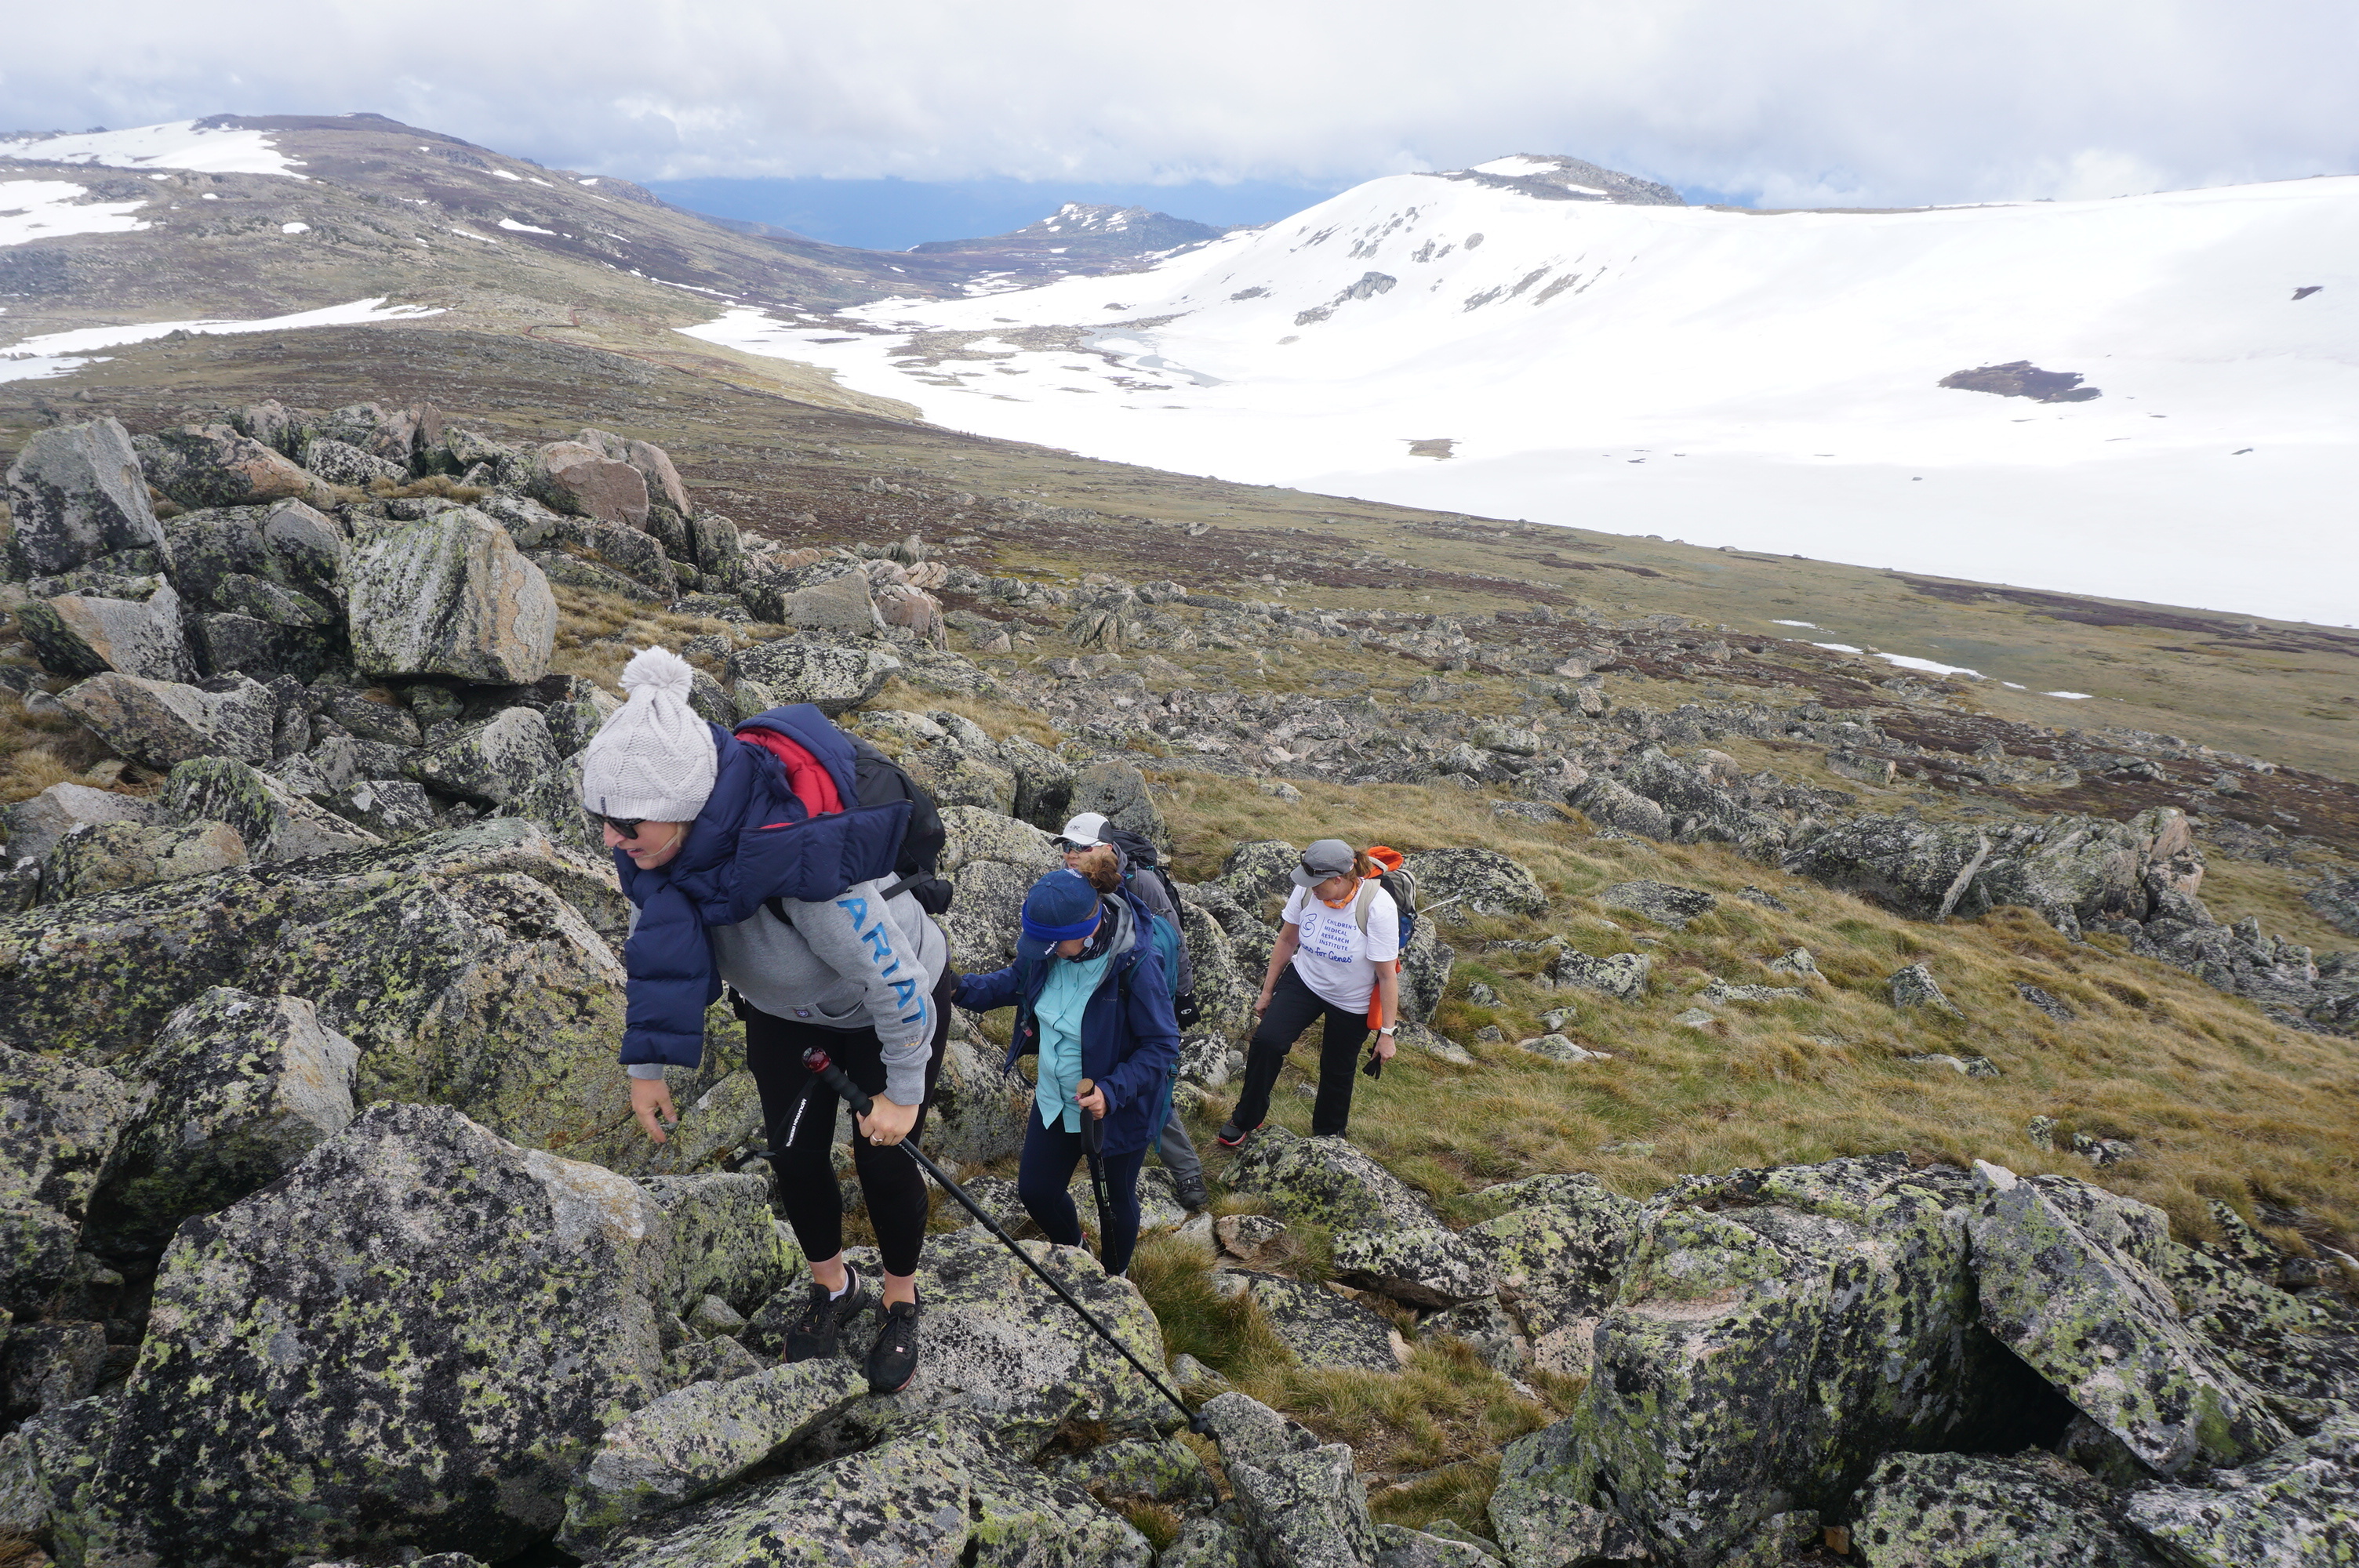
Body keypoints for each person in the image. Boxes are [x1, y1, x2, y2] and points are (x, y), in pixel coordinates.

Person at [583, 647, 951, 1395]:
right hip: (786, 1017)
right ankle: (834, 1285)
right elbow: (660, 961)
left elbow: (899, 985)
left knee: (883, 1159)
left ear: (684, 805)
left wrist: (904, 1094)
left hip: (884, 1011)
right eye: (600, 820)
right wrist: (645, 1068)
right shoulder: (654, 859)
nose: (611, 841)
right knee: (793, 1154)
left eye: (627, 822)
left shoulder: (805, 866)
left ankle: (901, 1298)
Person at [951, 854, 1180, 1275]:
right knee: (1037, 1191)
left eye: (1053, 946)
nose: (1045, 954)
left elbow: (1163, 1046)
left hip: (1114, 1110)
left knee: (1114, 1204)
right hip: (1055, 1097)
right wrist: (957, 988)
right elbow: (1015, 981)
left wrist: (1111, 1092)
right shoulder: (1050, 949)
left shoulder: (1136, 965)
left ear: (1088, 929)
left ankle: (1114, 1282)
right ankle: (1075, 1253)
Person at [1054, 811, 1208, 1210]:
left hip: (1143, 993)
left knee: (1149, 1083)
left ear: (1105, 849)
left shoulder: (1141, 882)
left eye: (1080, 848)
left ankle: (1186, 1169)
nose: (1071, 855)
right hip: (1094, 993)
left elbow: (1172, 938)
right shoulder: (1070, 880)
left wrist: (1183, 997)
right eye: (1067, 847)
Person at [1217, 839, 1399, 1148]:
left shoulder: (1377, 906)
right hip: (1305, 980)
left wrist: (1387, 1033)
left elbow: (1386, 974)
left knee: (1337, 1068)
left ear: (1339, 879)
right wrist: (1267, 992)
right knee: (1267, 1042)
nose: (1310, 889)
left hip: (1352, 999)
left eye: (1318, 884)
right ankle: (1246, 1116)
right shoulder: (1306, 890)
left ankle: (1328, 1136)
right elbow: (1287, 941)